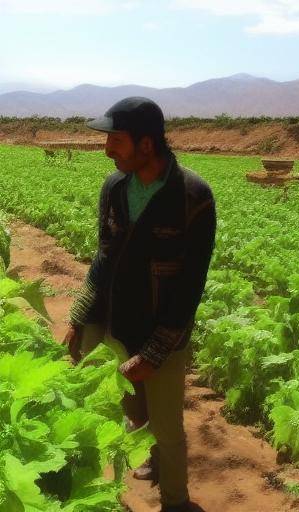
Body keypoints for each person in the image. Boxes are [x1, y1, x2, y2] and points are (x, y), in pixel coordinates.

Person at [63, 96, 216, 512]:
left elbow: (189, 286)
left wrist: (155, 351)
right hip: (114, 320)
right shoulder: (114, 187)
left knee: (167, 428)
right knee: (126, 407)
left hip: (163, 329)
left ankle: (176, 501)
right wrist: (79, 317)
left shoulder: (192, 196)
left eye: (116, 139)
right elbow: (104, 257)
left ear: (146, 145)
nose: (107, 148)